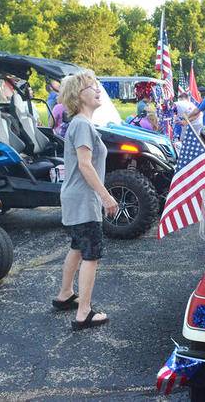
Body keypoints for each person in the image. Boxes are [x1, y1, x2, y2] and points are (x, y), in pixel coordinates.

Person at [52, 71, 118, 331]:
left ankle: (65, 294)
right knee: (91, 254)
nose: (98, 90)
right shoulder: (81, 124)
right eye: (92, 87)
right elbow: (85, 165)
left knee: (78, 247)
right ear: (78, 96)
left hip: (75, 198)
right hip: (83, 200)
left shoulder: (81, 124)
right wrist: (106, 196)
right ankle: (84, 313)